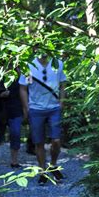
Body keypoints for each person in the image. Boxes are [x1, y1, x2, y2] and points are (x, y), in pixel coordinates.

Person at [19, 55, 66, 185]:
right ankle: (42, 171)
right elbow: (23, 88)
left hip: (54, 108)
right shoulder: (28, 65)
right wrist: (26, 108)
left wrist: (62, 102)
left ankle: (53, 165)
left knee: (56, 140)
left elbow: (63, 85)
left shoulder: (58, 63)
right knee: (38, 142)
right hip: (36, 109)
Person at [0, 69, 23, 168]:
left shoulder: (20, 73)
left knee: (16, 134)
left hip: (16, 109)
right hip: (0, 110)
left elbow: (26, 89)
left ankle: (14, 161)